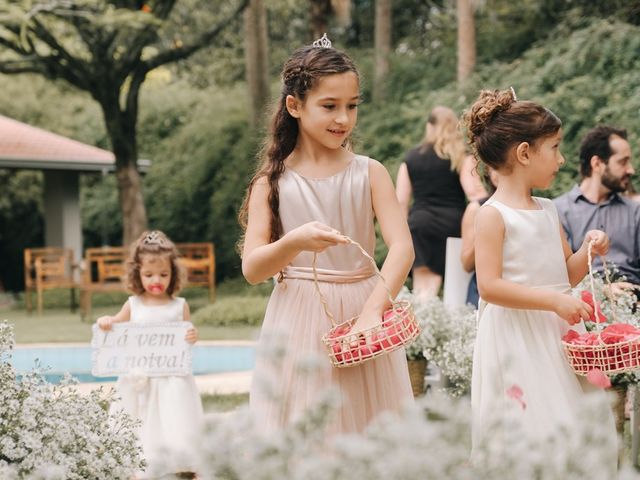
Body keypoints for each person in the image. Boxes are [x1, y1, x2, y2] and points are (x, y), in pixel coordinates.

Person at [238, 35, 414, 434]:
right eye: (330, 106)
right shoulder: (272, 182)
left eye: (352, 107)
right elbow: (252, 268)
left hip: (362, 307)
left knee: (368, 425)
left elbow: (402, 248)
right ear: (294, 106)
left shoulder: (370, 172)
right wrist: (294, 241)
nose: (344, 119)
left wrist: (372, 312)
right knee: (305, 426)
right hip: (299, 315)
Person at [463, 89, 616, 464]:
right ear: (525, 153)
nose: (562, 160)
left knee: (573, 423)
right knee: (532, 425)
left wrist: (587, 251)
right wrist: (554, 301)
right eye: (555, 148)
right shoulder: (493, 215)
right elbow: (490, 286)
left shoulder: (548, 209)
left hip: (558, 332)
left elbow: (566, 274)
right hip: (517, 336)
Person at [97, 230, 202, 479]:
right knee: (139, 420)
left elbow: (186, 335)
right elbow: (116, 324)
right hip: (139, 378)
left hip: (172, 379)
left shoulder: (179, 305)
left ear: (173, 274)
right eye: (149, 274)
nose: (157, 280)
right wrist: (106, 321)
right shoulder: (133, 304)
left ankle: (178, 462)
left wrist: (192, 336)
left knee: (173, 420)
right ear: (137, 274)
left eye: (163, 274)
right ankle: (136, 463)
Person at [395, 106, 487, 299]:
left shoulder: (410, 158)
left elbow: (400, 202)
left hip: (419, 225)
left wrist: (399, 239)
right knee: (457, 290)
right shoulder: (461, 156)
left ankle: (421, 325)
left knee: (423, 289)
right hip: (453, 227)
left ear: (430, 126)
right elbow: (475, 194)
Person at [554, 125, 640, 298]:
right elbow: (558, 278)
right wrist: (602, 291)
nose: (631, 170)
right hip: (582, 309)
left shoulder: (636, 212)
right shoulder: (558, 212)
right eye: (623, 162)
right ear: (597, 164)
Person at [460, 166, 498, 307]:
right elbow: (466, 263)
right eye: (494, 168)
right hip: (483, 296)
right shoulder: (476, 208)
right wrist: (486, 233)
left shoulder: (539, 207)